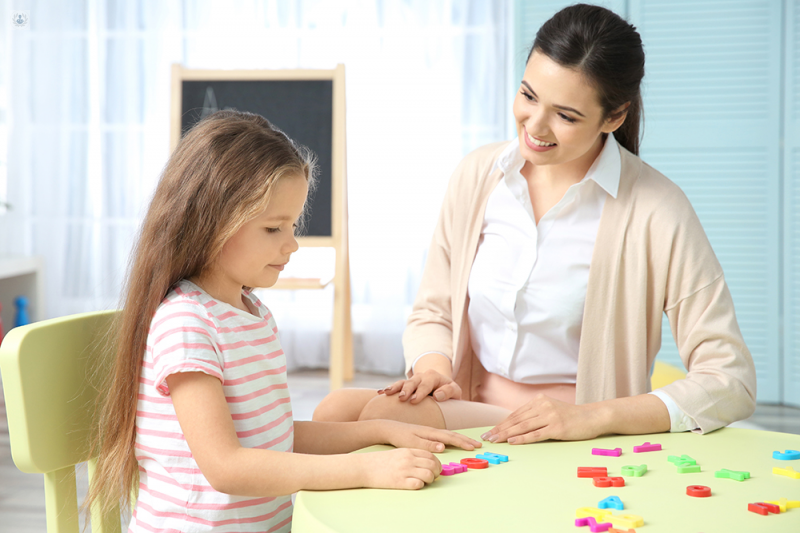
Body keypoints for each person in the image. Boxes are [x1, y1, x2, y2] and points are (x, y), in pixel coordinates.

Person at [313, 4, 756, 444]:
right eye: (528, 96)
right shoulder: (478, 175)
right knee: (333, 411)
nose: (535, 127)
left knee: (375, 414)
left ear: (614, 117)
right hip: (474, 403)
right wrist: (433, 371)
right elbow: (434, 310)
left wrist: (597, 417)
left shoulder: (658, 211)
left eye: (565, 115)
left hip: (571, 425)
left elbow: (729, 379)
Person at [84, 110, 481, 533]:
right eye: (273, 228)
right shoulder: (187, 323)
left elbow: (273, 437)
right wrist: (365, 471)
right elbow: (227, 467)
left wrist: (379, 430)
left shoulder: (253, 314)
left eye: (292, 226)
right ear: (211, 223)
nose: (291, 244)